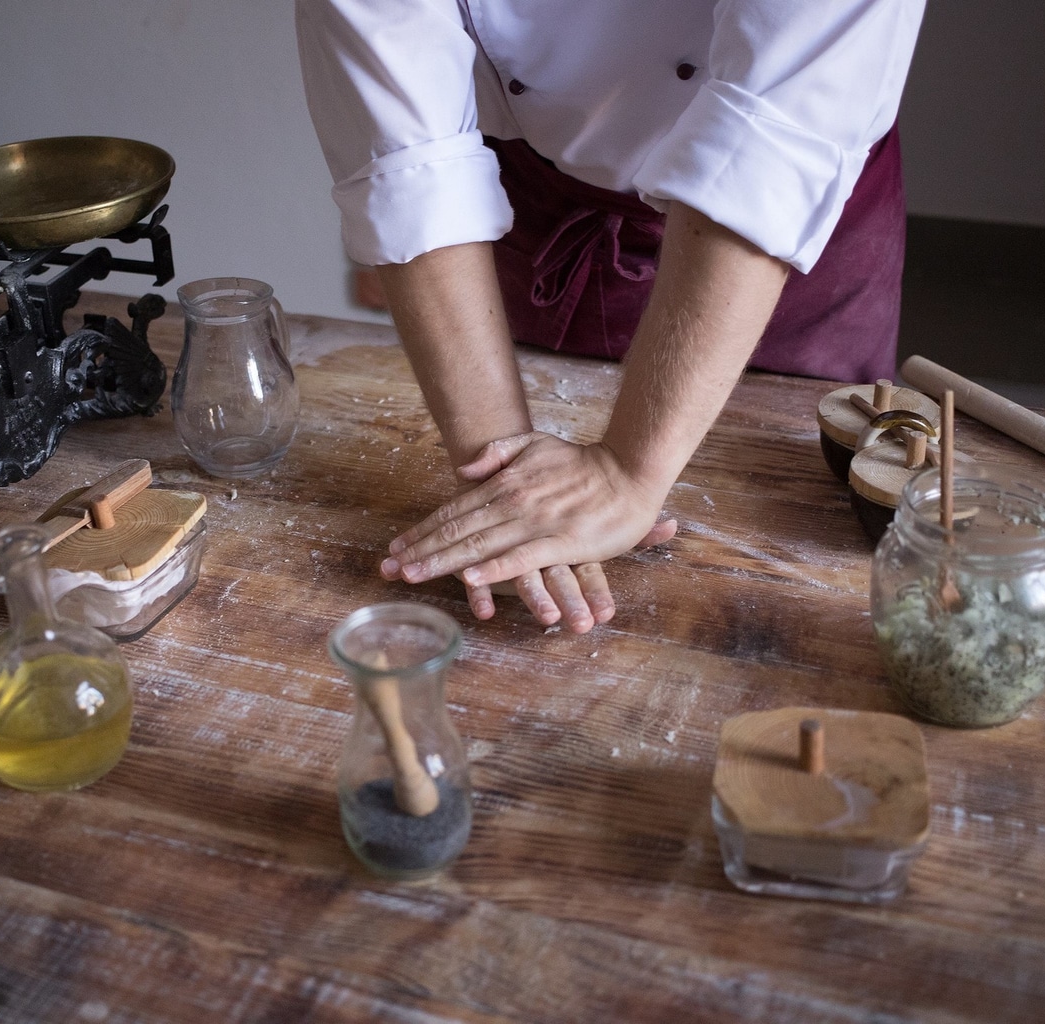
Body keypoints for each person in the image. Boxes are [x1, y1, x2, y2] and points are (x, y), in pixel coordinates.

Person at [296, 0, 926, 632]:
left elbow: (770, 148)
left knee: (817, 503)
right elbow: (412, 161)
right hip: (538, 194)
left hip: (786, 212)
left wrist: (630, 471)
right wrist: (505, 482)